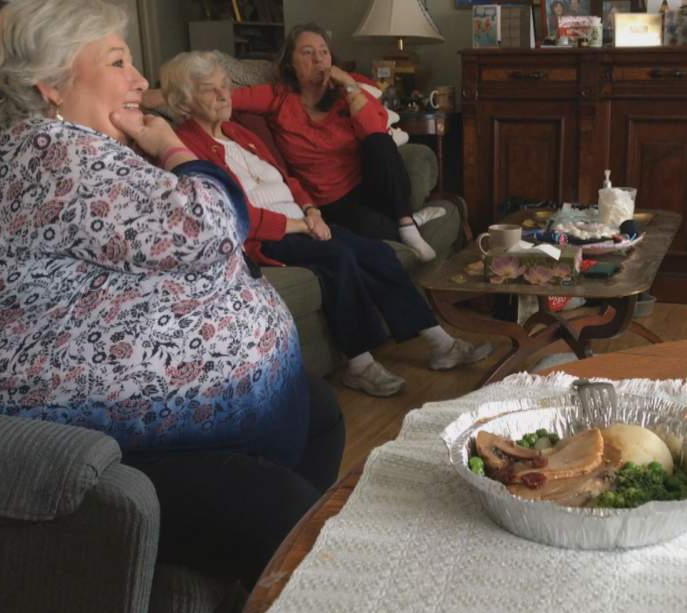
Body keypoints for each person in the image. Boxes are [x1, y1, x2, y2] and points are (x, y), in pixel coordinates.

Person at [0, 0, 343, 585]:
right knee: (288, 514)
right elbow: (217, 223)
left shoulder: (70, 153)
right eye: (119, 62)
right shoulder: (50, 155)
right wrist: (172, 145)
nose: (141, 80)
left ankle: (250, 587)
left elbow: (148, 249)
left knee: (319, 416)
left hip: (128, 401)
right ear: (51, 83)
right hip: (52, 428)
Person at [159, 51, 493, 397]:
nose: (223, 95)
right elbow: (231, 214)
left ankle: (441, 345)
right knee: (339, 258)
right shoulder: (185, 148)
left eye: (225, 86)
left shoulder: (238, 132)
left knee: (375, 251)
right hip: (267, 235)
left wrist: (311, 210)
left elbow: (288, 178)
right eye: (209, 90)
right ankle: (360, 365)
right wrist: (300, 225)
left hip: (304, 219)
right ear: (184, 102)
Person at [149, 24, 444, 262]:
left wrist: (350, 86)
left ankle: (406, 221)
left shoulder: (346, 91)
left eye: (324, 52)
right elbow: (216, 97)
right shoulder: (277, 98)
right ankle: (407, 220)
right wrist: (139, 98)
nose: (319, 60)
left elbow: (375, 127)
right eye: (307, 53)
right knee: (376, 232)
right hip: (333, 201)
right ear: (290, 63)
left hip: (368, 183)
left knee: (380, 142)